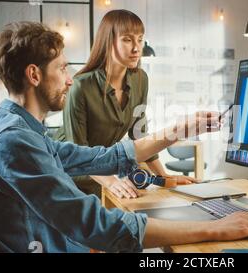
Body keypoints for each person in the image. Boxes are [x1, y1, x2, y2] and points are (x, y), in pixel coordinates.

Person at [0, 22, 248, 253]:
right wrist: (214, 230)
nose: (69, 79)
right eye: (61, 69)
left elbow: (102, 157)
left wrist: (178, 130)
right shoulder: (12, 141)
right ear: (34, 75)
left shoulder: (20, 129)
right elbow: (93, 224)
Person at [55, 10, 195, 199]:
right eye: (128, 40)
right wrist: (111, 181)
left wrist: (163, 176)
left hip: (104, 171)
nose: (137, 48)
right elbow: (77, 153)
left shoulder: (140, 79)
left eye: (140, 39)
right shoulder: (81, 85)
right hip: (69, 173)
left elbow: (139, 133)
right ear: (108, 41)